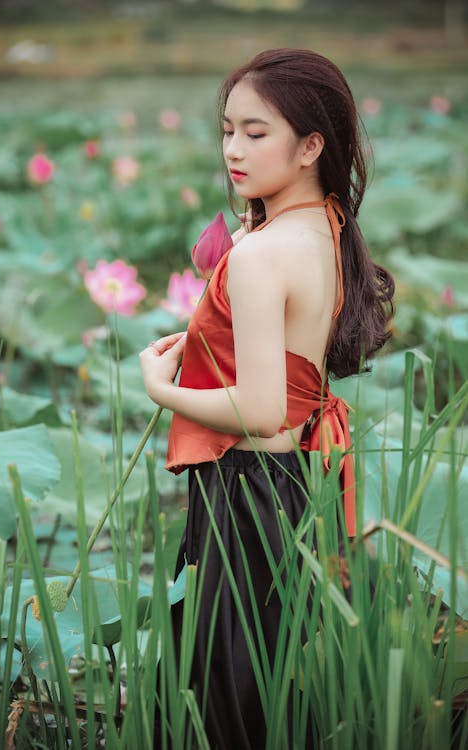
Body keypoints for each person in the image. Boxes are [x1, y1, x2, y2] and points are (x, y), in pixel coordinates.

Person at [140, 48, 394, 749]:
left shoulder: (257, 253)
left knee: (228, 702)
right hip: (297, 486)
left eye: (257, 133)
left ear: (312, 144)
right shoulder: (328, 224)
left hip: (247, 492)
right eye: (227, 130)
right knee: (277, 686)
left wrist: (164, 388)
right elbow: (286, 369)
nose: (233, 150)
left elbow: (258, 411)